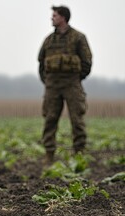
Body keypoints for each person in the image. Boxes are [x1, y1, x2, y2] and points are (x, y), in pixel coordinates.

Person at [38, 6, 92, 162]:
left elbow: (87, 61)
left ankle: (79, 155)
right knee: (50, 119)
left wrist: (76, 79)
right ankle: (49, 156)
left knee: (77, 120)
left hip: (72, 84)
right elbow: (41, 63)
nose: (52, 18)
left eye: (54, 15)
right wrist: (47, 81)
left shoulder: (78, 38)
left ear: (63, 17)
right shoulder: (49, 40)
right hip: (52, 86)